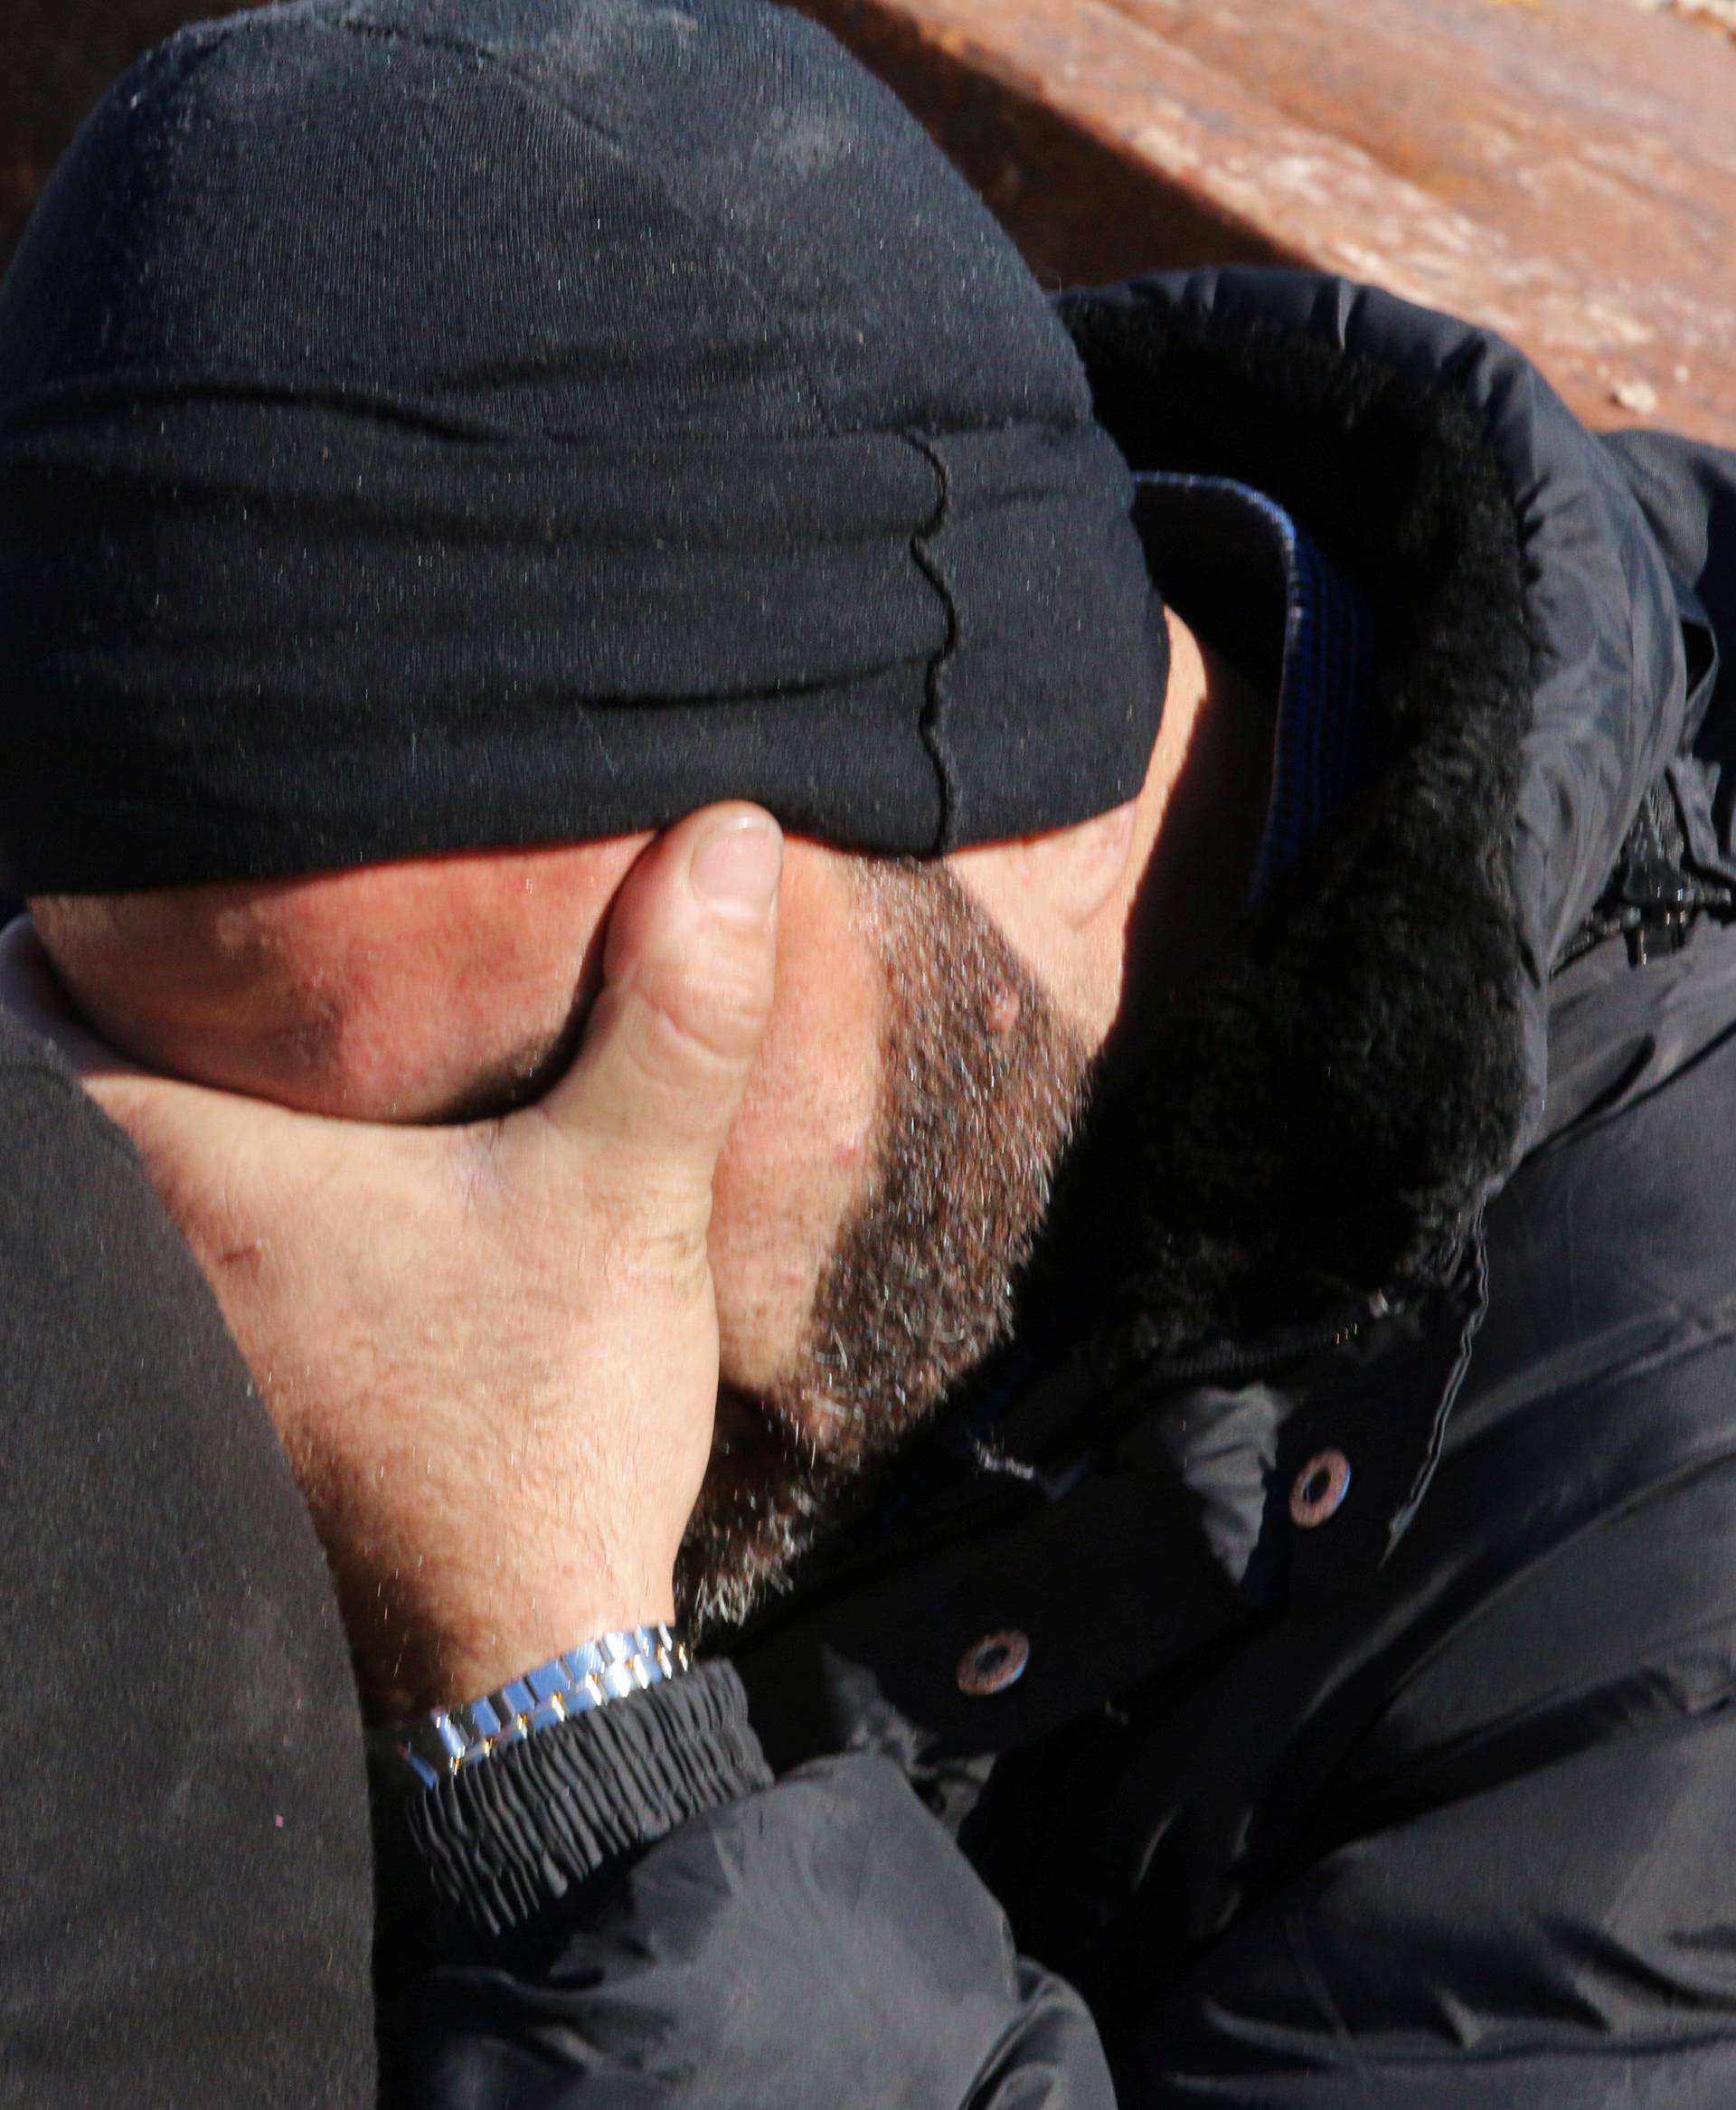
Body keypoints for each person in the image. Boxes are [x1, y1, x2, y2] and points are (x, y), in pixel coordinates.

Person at [5, 0, 1736, 2101]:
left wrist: (561, 1723)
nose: (358, 1299)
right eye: (184, 1125)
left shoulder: (1668, 1552)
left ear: (988, 801)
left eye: (510, 1112)